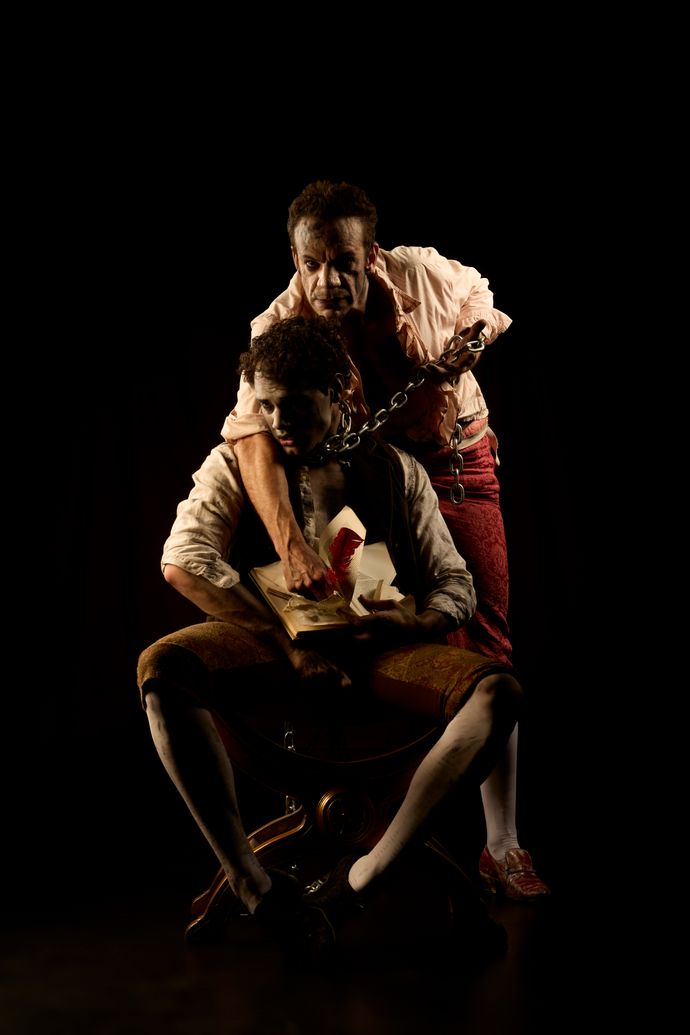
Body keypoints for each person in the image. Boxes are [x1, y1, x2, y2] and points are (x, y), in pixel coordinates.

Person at [137, 315, 524, 967]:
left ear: (340, 393)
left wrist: (412, 620)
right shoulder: (238, 463)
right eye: (266, 406)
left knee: (497, 694)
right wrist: (289, 641)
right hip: (272, 645)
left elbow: (455, 584)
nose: (278, 423)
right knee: (161, 668)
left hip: (382, 650)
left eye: (294, 406)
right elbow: (183, 558)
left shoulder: (396, 470)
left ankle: (372, 869)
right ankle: (251, 883)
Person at [220, 180, 549, 900]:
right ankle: (329, 806)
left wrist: (476, 337)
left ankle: (502, 844)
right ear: (295, 260)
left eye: (344, 261)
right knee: (338, 634)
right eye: (312, 264)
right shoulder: (279, 325)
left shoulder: (425, 274)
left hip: (457, 466)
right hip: (366, 480)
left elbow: (482, 296)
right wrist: (293, 543)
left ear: (371, 254)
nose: (328, 281)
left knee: (487, 645)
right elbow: (248, 437)